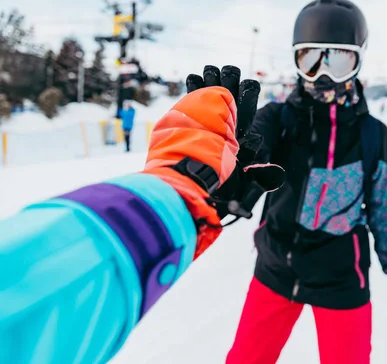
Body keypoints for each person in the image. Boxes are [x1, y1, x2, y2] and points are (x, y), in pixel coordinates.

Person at [0, 66, 284, 364]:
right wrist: (190, 183)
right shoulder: (283, 115)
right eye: (309, 57)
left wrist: (186, 181)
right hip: (275, 265)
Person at [226, 0, 387, 364]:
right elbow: (240, 158)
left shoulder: (372, 136)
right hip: (275, 269)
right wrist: (229, 167)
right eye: (311, 59)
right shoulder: (276, 121)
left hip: (341, 280)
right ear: (296, 60)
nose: (323, 74)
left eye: (337, 60)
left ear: (358, 61)